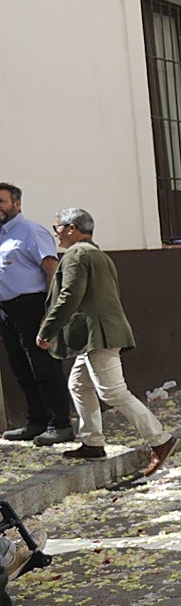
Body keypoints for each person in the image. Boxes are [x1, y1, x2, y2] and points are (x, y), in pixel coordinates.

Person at [36, 208, 176, 476]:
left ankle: (160, 440)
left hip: (98, 334)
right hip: (95, 334)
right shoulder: (97, 254)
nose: (56, 235)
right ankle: (92, 442)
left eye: (58, 228)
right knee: (78, 384)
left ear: (72, 228)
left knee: (113, 392)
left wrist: (48, 329)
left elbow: (70, 295)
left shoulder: (77, 254)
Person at [0, 183, 74, 446]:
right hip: (7, 310)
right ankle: (37, 421)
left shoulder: (31, 231)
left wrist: (49, 311)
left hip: (32, 306)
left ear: (17, 204)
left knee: (43, 367)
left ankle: (60, 424)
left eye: (1, 201)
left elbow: (52, 270)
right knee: (21, 369)